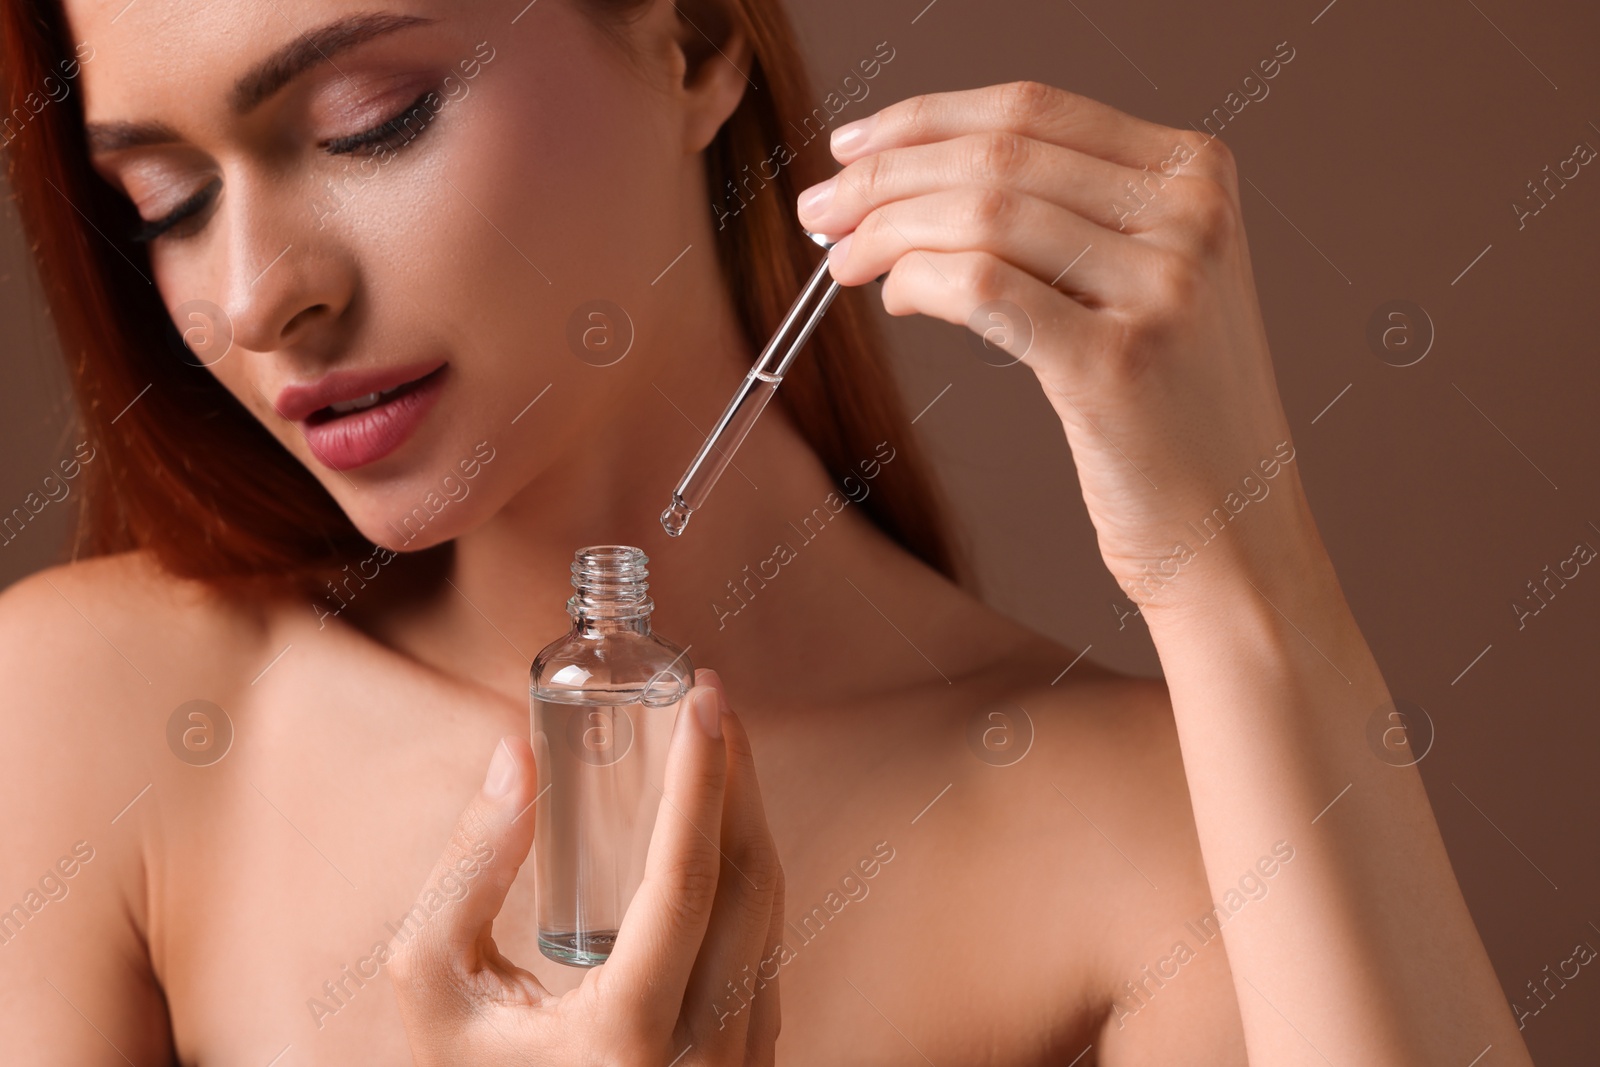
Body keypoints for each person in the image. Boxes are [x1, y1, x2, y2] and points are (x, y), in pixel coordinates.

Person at [0, 0, 1531, 1063]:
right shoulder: (98, 724)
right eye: (162, 200)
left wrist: (1236, 570)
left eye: (370, 120)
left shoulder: (1156, 838)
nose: (262, 294)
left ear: (690, 43)